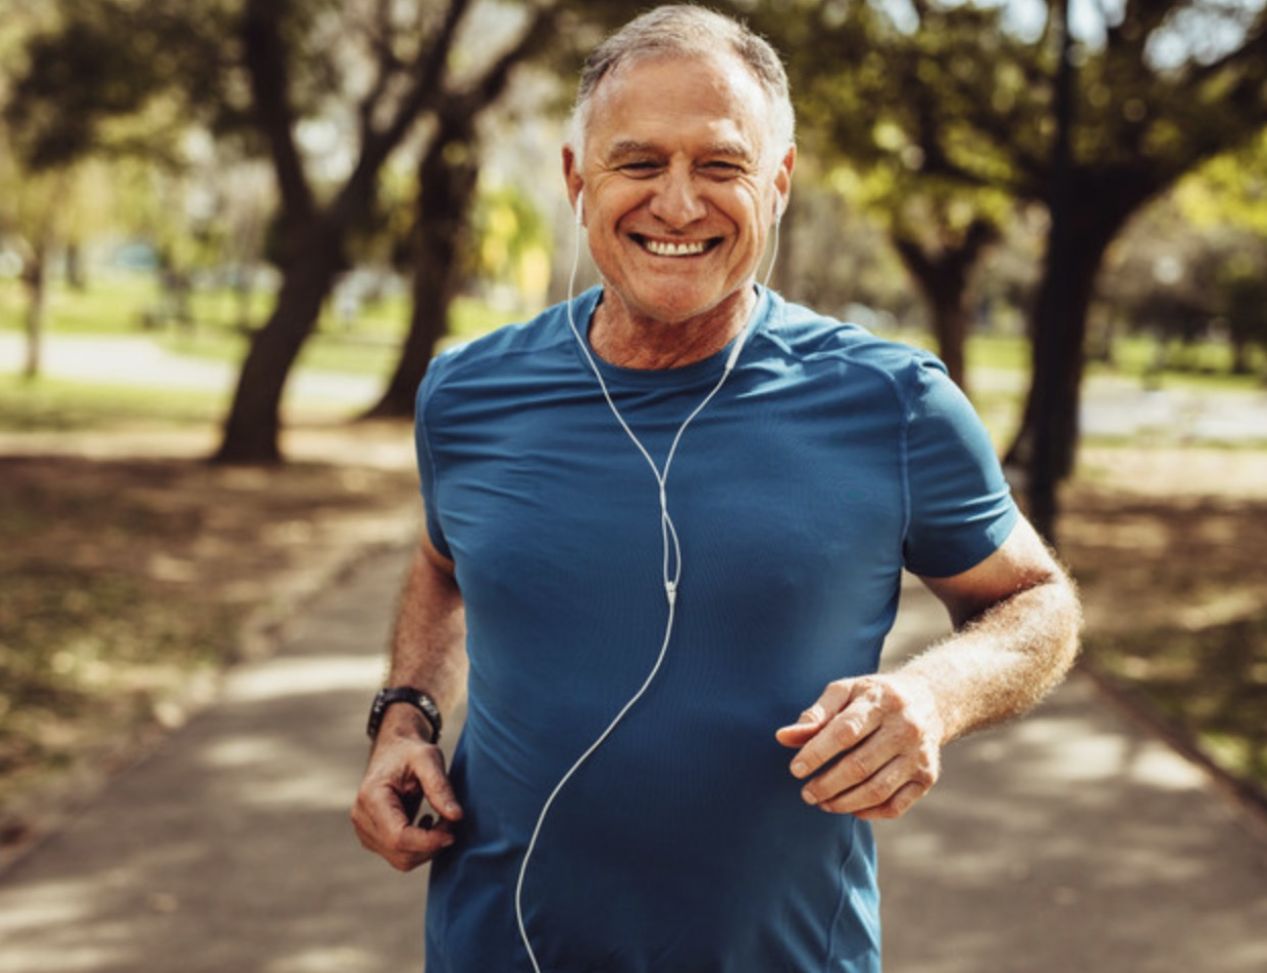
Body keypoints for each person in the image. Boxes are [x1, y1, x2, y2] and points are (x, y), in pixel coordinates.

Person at [350, 6, 1082, 971]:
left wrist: (931, 697)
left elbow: (1037, 602)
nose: (680, 204)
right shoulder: (467, 392)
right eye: (639, 163)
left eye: (721, 165)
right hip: (495, 944)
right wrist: (404, 718)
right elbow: (445, 561)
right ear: (578, 179)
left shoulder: (895, 401)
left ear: (776, 184)